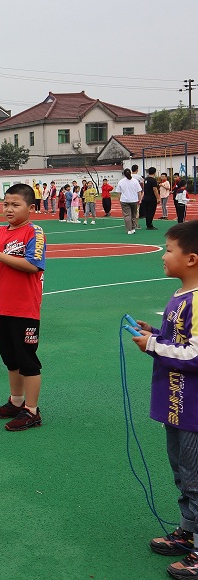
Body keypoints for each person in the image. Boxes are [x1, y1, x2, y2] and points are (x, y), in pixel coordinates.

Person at [130, 221, 198, 578]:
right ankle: (188, 532)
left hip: (194, 409)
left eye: (169, 249)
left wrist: (154, 346)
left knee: (195, 475)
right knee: (183, 472)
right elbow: (179, 338)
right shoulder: (181, 296)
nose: (163, 255)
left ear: (191, 259)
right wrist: (154, 334)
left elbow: (196, 354)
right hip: (178, 403)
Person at [0, 183, 46, 431]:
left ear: (31, 208)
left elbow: (33, 265)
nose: (9, 209)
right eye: (6, 204)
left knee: (27, 360)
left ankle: (32, 411)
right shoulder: (0, 233)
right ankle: (16, 403)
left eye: (15, 204)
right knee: (10, 359)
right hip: (1, 306)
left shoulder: (34, 232)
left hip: (24, 308)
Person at [117, 168, 143, 234]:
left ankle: (129, 229)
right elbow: (139, 191)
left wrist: (120, 200)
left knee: (127, 215)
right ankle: (133, 228)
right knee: (134, 215)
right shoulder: (135, 181)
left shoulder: (121, 181)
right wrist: (140, 199)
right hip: (134, 200)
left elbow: (118, 193)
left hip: (124, 200)